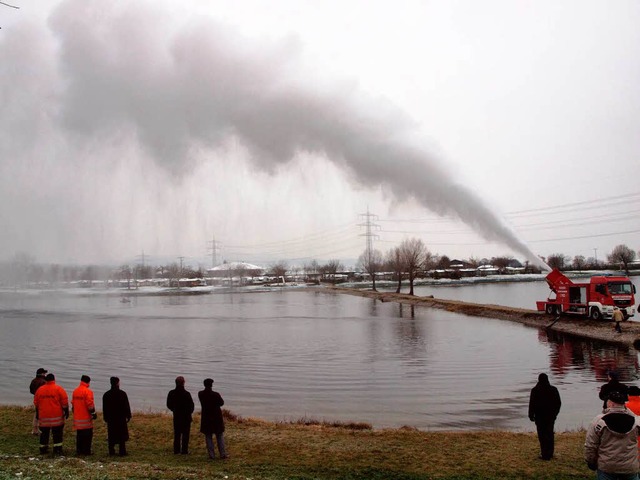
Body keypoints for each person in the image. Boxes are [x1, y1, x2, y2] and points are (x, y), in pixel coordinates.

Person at [585, 390, 640, 479]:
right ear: (624, 404)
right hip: (630, 466)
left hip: (607, 466)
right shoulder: (635, 421)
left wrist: (591, 461)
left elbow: (591, 445)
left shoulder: (599, 421)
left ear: (610, 403)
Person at [528, 373, 562, 460]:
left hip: (539, 417)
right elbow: (558, 403)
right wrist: (555, 414)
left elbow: (531, 404)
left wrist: (531, 415)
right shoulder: (553, 390)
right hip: (550, 417)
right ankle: (550, 453)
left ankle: (544, 454)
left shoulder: (535, 390)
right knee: (550, 434)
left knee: (542, 435)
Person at [33, 373, 69, 455]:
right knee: (57, 434)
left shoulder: (40, 390)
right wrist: (66, 411)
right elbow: (64, 402)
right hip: (57, 417)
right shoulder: (59, 389)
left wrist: (38, 413)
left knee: (44, 434)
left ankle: (43, 449)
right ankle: (57, 449)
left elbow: (36, 403)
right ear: (54, 380)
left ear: (46, 380)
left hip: (44, 417)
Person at [198, 378, 227, 459]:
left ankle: (211, 455)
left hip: (206, 418)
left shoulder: (200, 394)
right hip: (216, 418)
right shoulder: (216, 395)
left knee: (208, 436)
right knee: (219, 436)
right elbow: (221, 403)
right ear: (211, 385)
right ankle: (222, 454)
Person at [102, 376, 132, 456]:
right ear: (118, 383)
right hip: (120, 418)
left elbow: (104, 408)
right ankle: (122, 451)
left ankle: (111, 451)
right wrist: (128, 415)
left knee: (111, 434)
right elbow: (126, 406)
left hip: (111, 418)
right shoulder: (122, 394)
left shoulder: (106, 395)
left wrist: (105, 417)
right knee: (121, 435)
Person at [166, 376, 194, 455]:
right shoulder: (187, 394)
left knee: (177, 434)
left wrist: (173, 409)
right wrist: (189, 412)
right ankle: (184, 450)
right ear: (183, 383)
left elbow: (168, 404)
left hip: (177, 416)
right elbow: (191, 406)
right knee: (185, 434)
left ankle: (176, 450)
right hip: (186, 417)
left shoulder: (171, 393)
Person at [72, 375, 97, 455]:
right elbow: (90, 404)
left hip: (78, 418)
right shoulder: (88, 391)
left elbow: (73, 404)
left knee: (79, 435)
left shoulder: (75, 391)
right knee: (88, 436)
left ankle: (79, 450)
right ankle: (86, 451)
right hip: (86, 419)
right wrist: (93, 413)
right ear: (88, 382)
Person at [29, 368, 47, 435]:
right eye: (44, 373)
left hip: (36, 398)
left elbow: (31, 391)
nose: (45, 374)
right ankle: (39, 429)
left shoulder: (33, 380)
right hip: (43, 400)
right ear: (42, 374)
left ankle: (34, 429)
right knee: (41, 414)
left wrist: (36, 394)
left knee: (36, 414)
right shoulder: (44, 382)